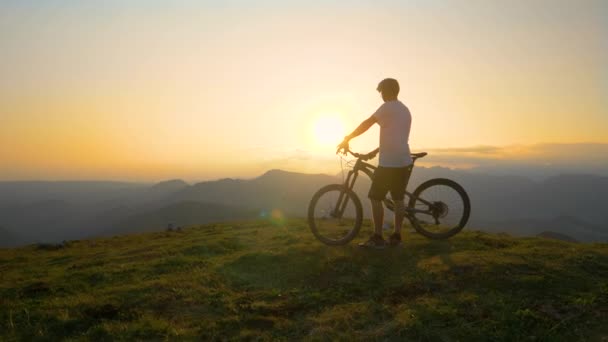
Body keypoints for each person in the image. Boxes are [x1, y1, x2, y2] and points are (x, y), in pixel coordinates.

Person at [336, 78, 412, 249]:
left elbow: (367, 124)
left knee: (375, 198)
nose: (381, 95)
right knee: (398, 199)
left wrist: (347, 138)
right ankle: (397, 237)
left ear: (388, 91)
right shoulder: (404, 110)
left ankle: (378, 238)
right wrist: (375, 152)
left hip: (389, 162)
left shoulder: (387, 107)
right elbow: (395, 137)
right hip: (403, 160)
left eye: (382, 91)